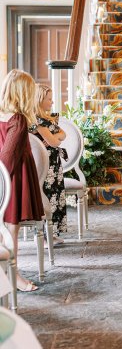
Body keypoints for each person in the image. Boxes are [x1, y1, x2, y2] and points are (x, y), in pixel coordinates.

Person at [0, 69, 44, 292]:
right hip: (12, 179)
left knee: (3, 230)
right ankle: (13, 276)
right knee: (11, 228)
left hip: (3, 179)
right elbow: (7, 158)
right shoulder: (18, 120)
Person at [32, 84, 67, 243]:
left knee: (55, 194)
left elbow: (63, 134)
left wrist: (57, 136)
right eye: (49, 99)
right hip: (45, 163)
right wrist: (56, 137)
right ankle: (44, 237)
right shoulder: (38, 121)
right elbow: (53, 142)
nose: (52, 102)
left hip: (53, 161)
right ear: (40, 100)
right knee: (48, 195)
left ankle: (51, 233)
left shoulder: (47, 119)